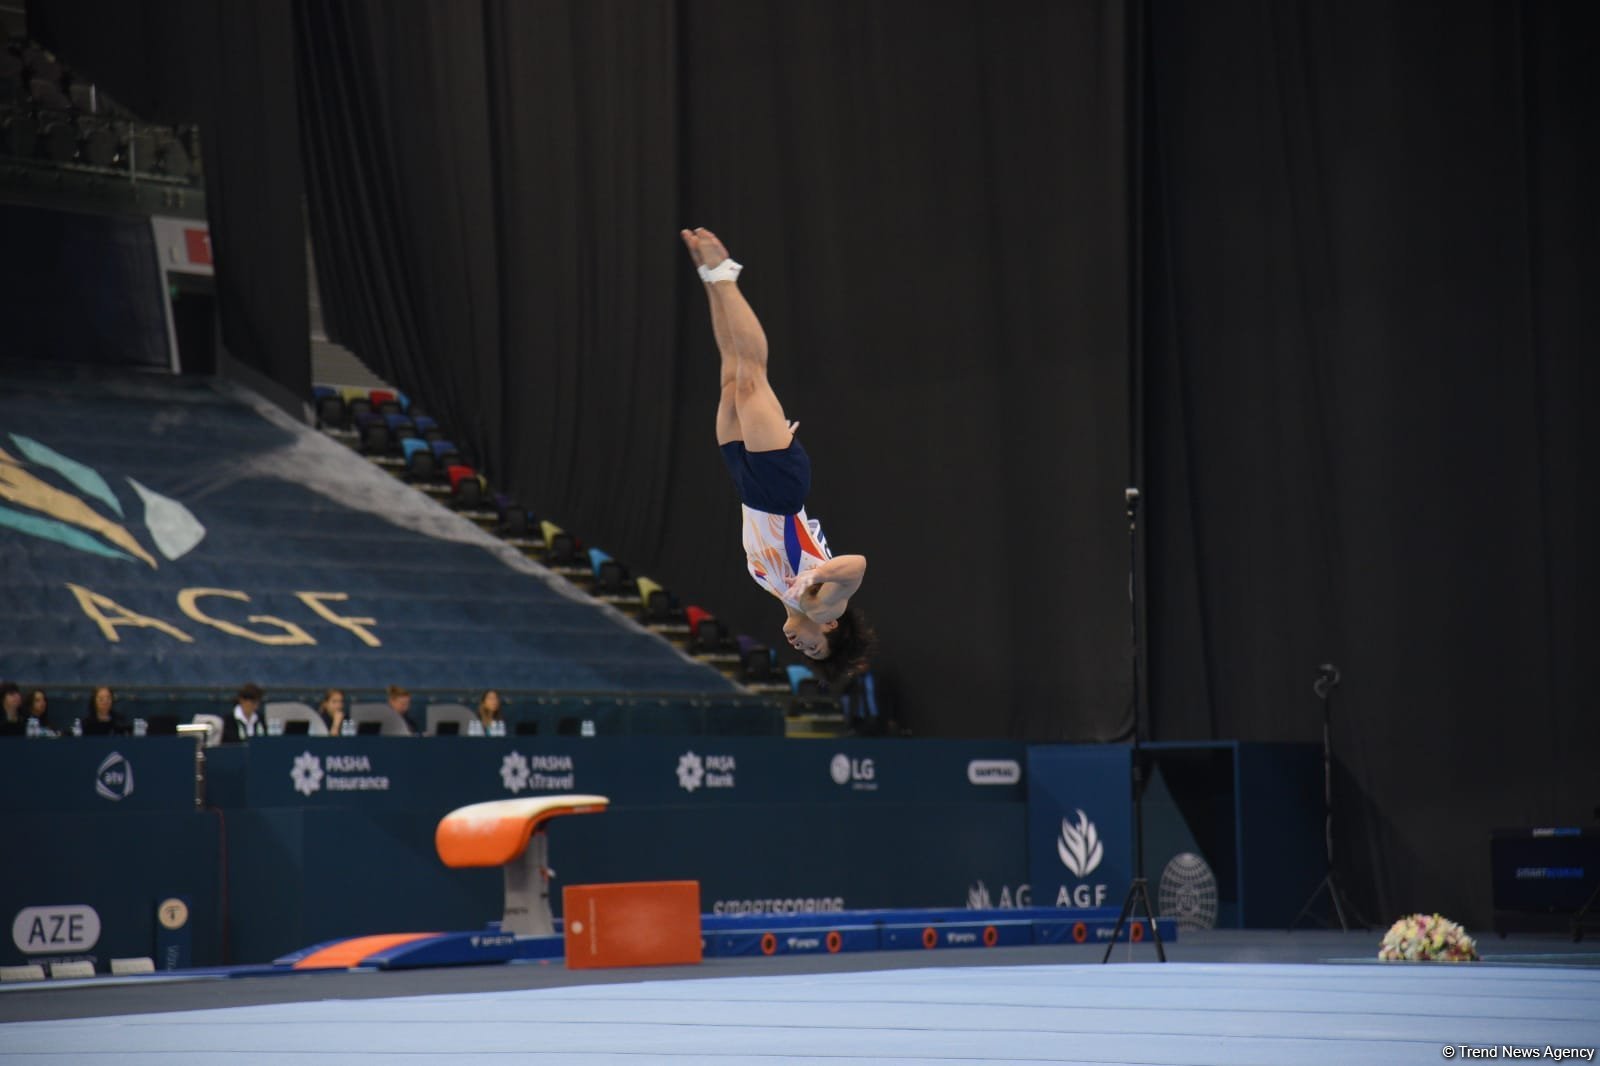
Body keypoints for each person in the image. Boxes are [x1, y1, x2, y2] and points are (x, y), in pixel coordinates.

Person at [681, 227, 876, 687]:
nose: (799, 646)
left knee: (731, 376)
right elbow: (859, 565)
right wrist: (815, 581)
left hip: (748, 487)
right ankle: (726, 272)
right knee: (752, 379)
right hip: (782, 490)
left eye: (804, 653)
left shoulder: (775, 591)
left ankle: (710, 276)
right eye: (814, 645)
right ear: (830, 627)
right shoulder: (822, 604)